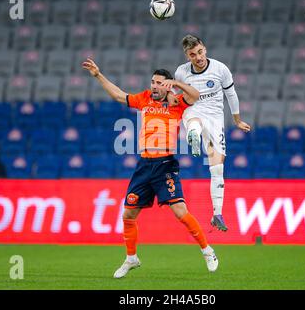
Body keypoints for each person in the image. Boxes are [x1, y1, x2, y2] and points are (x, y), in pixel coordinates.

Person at [82, 57, 219, 279]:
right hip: (145, 165)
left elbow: (195, 96)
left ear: (167, 85)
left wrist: (177, 84)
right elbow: (118, 95)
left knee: (180, 212)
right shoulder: (144, 99)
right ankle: (131, 258)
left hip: (165, 164)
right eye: (152, 82)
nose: (153, 86)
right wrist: (98, 74)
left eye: (158, 83)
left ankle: (207, 251)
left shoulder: (176, 101)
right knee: (128, 214)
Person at [173, 35, 251, 232]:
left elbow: (231, 94)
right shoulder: (181, 73)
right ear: (187, 55)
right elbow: (176, 99)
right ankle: (193, 134)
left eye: (200, 52)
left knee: (217, 167)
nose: (198, 57)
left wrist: (237, 120)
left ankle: (217, 213)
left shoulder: (220, 69)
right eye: (193, 54)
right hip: (194, 110)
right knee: (193, 120)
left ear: (204, 49)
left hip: (216, 118)